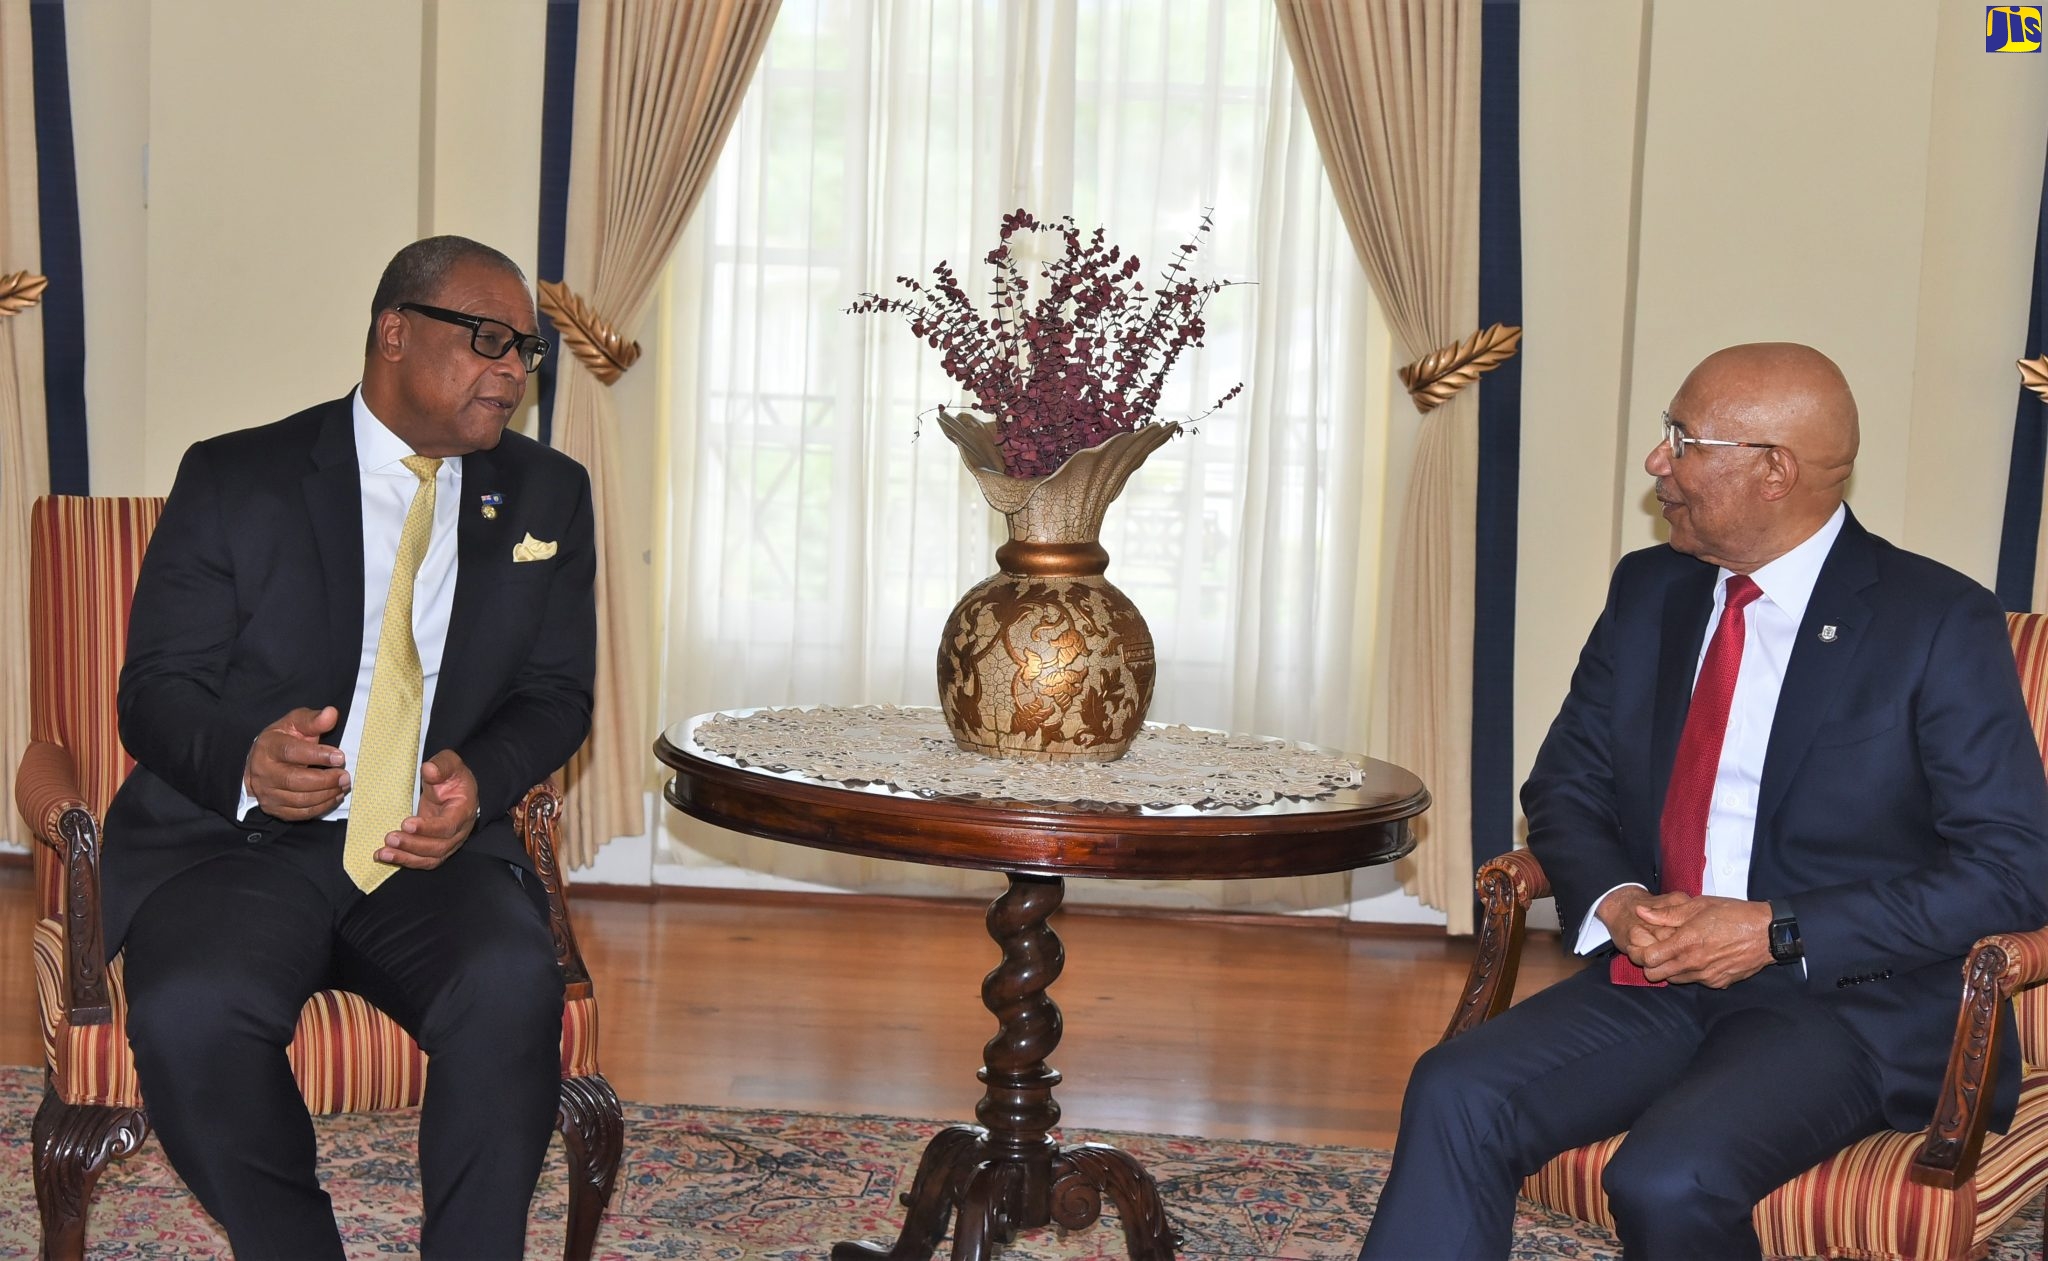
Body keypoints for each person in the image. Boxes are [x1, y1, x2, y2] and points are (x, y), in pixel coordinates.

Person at [1359, 343, 2048, 1259]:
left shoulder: (1934, 622)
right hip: (1660, 974)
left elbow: (2011, 872)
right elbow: (1565, 785)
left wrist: (1776, 929)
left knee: (1666, 1174)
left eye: (1682, 439)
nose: (1657, 462)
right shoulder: (1652, 591)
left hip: (1848, 1001)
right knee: (1456, 1088)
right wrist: (1615, 902)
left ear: (1774, 470)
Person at [104, 235, 597, 1259]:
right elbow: (153, 694)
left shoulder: (545, 494)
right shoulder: (240, 475)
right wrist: (245, 759)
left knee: (513, 984)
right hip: (234, 849)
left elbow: (556, 695)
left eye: (524, 353)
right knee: (192, 1010)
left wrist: (482, 777)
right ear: (394, 332)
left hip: (427, 852)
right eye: (489, 340)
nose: (511, 370)